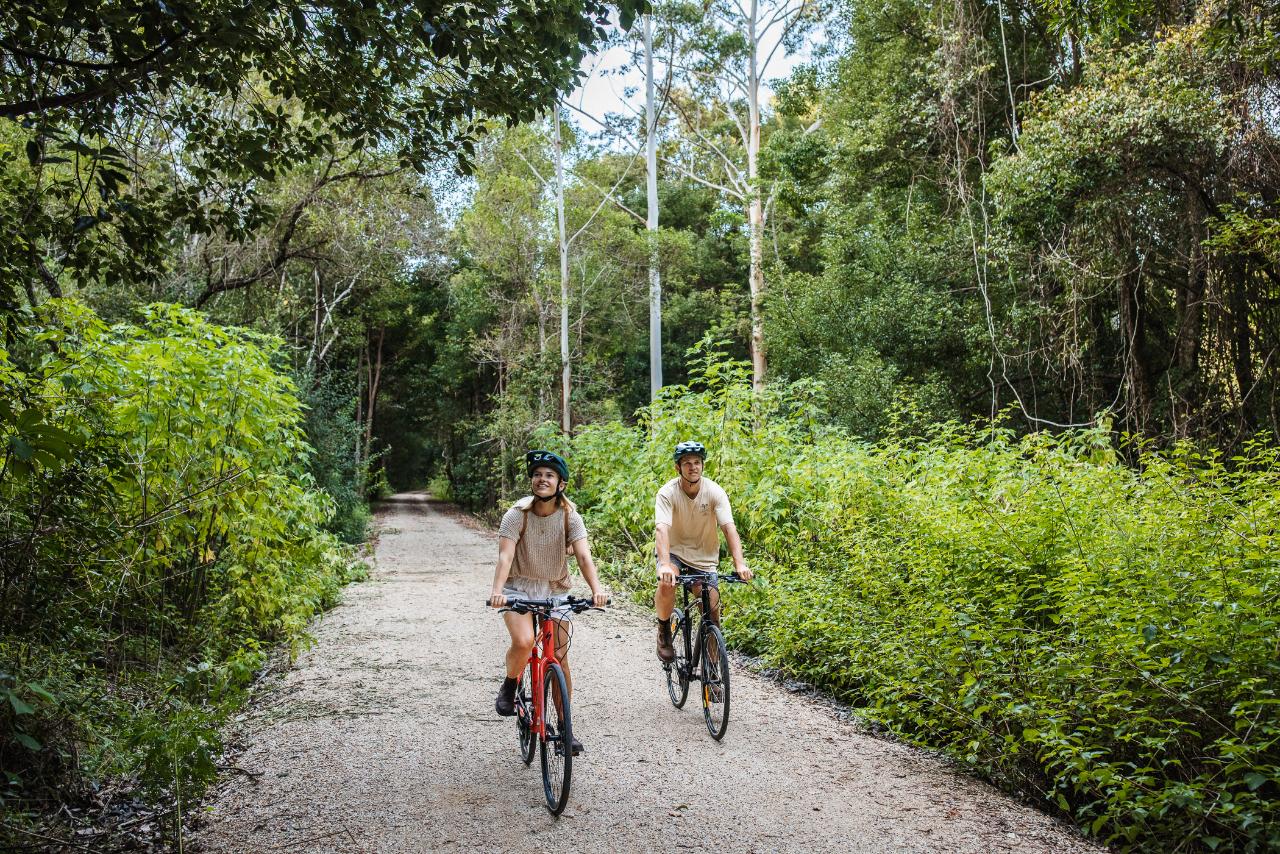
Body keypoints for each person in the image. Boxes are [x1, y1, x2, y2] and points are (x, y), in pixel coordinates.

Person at [489, 450, 608, 756]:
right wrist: (497, 590)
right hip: (518, 588)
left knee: (559, 657)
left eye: (550, 475)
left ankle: (566, 728)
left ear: (561, 484)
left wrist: (597, 590)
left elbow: (583, 556)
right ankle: (511, 684)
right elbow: (505, 556)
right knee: (525, 641)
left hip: (554, 590)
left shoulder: (571, 516)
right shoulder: (517, 514)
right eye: (538, 474)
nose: (542, 479)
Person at [654, 441, 753, 664]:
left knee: (712, 612)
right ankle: (663, 631)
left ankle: (713, 670)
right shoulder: (667, 493)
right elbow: (661, 529)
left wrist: (740, 564)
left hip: (704, 558)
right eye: (687, 463)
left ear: (703, 465)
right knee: (667, 582)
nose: (693, 467)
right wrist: (664, 565)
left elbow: (729, 528)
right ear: (677, 468)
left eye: (697, 462)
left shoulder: (715, 492)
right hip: (674, 552)